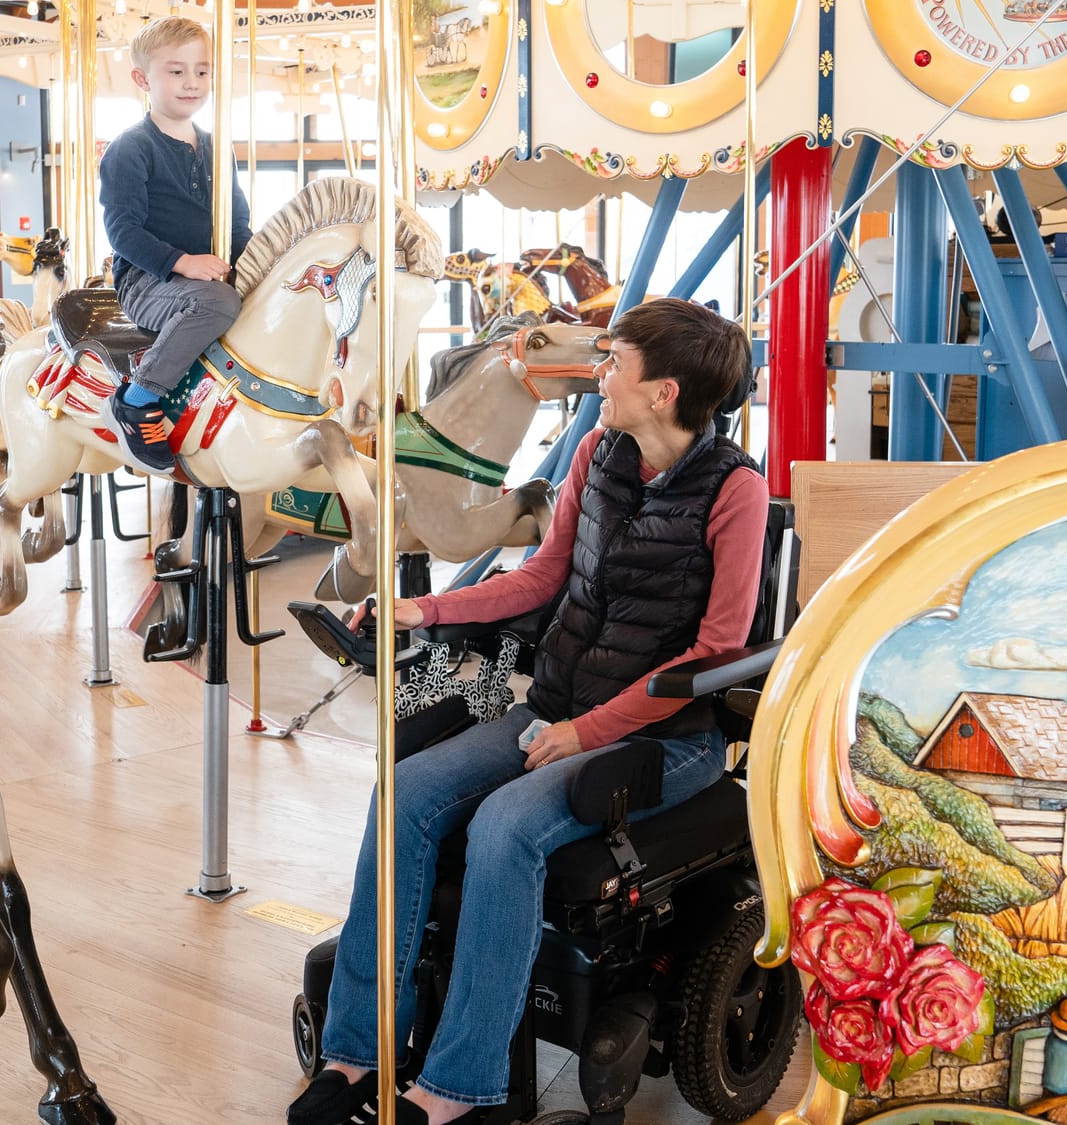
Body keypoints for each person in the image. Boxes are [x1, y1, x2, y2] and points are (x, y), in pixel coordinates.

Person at [288, 298, 770, 1125]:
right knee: (401, 794)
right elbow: (542, 578)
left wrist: (588, 731)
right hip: (554, 708)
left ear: (664, 391)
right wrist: (426, 611)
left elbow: (716, 649)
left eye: (614, 360)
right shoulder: (597, 451)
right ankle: (359, 1048)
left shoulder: (736, 491)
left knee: (506, 826)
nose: (599, 372)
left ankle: (462, 1090)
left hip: (666, 735)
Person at [97, 16, 251, 472]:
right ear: (143, 79)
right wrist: (181, 261)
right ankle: (136, 398)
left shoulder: (217, 147)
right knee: (217, 303)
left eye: (202, 71)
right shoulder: (130, 148)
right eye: (176, 71)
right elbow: (122, 231)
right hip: (148, 281)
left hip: (201, 280)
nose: (192, 83)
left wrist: (259, 264)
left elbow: (237, 222)